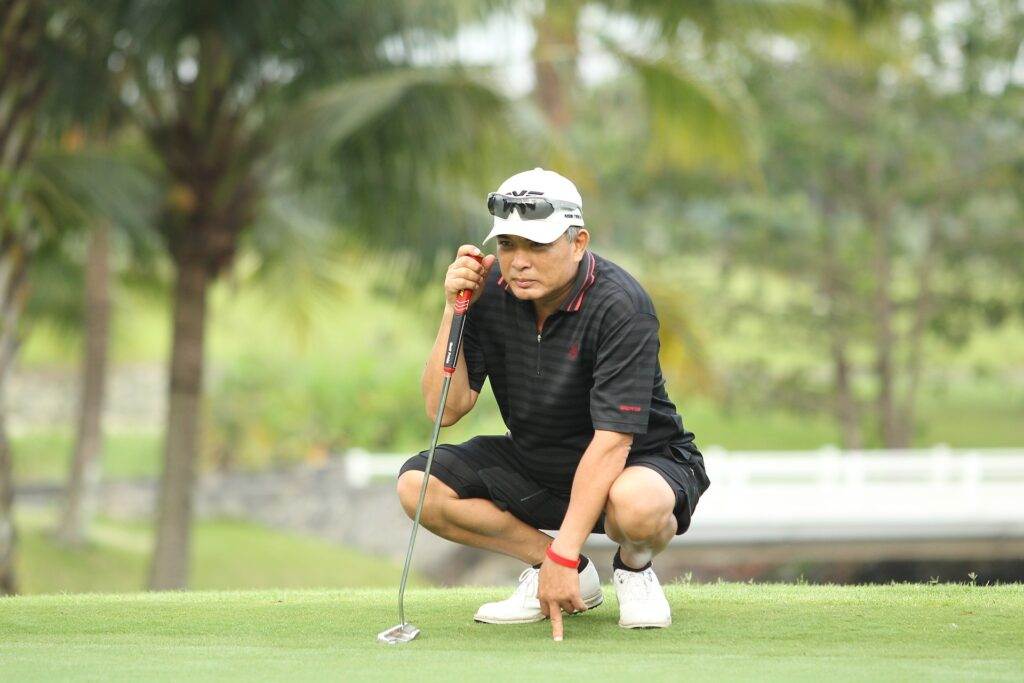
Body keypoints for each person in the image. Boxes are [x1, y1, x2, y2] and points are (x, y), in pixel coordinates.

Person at [397, 167, 710, 641]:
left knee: (636, 506)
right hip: (538, 459)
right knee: (419, 488)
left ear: (578, 242)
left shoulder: (620, 304)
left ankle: (634, 569)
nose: (518, 262)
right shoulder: (488, 294)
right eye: (507, 246)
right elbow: (445, 408)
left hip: (640, 460)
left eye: (537, 246)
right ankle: (563, 569)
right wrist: (453, 308)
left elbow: (611, 443)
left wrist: (564, 549)